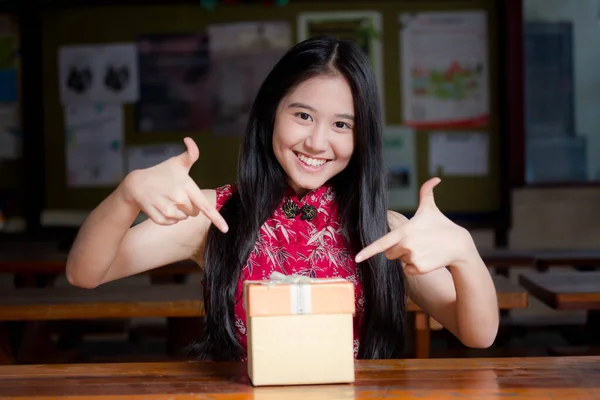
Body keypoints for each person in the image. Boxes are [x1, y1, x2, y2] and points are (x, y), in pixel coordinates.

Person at [66, 35, 499, 361]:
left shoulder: (384, 231)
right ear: (273, 112)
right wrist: (127, 194)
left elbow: (477, 333)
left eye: (342, 126)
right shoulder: (213, 214)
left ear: (363, 136)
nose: (316, 141)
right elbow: (85, 273)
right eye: (304, 115)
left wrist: (464, 253)